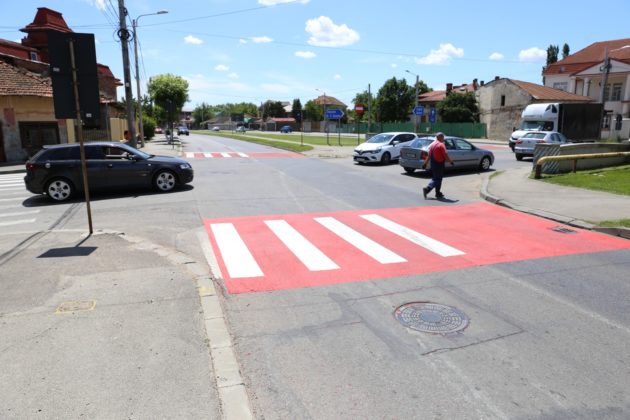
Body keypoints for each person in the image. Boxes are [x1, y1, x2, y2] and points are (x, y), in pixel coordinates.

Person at [422, 132, 454, 199]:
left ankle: (438, 193)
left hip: (433, 164)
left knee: (436, 178)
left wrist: (425, 164)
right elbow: (445, 155)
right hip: (439, 164)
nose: (443, 139)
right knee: (438, 179)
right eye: (443, 137)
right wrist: (450, 161)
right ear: (440, 137)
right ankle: (427, 189)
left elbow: (429, 156)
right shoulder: (441, 145)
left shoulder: (432, 145)